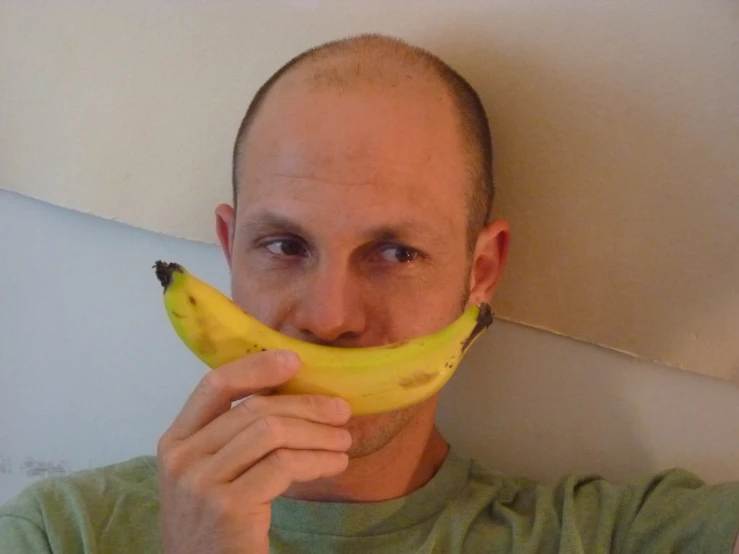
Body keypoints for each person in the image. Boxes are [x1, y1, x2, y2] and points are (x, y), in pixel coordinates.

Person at [1, 33, 739, 554]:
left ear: (480, 272)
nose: (329, 317)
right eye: (285, 247)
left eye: (394, 252)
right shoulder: (58, 534)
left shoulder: (618, 536)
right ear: (229, 253)